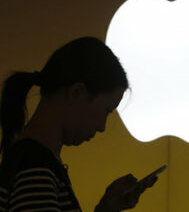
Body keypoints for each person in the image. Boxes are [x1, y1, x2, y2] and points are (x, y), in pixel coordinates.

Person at [0, 37, 158, 211]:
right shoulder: (35, 169)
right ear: (77, 93)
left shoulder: (33, 162)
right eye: (106, 110)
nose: (102, 127)